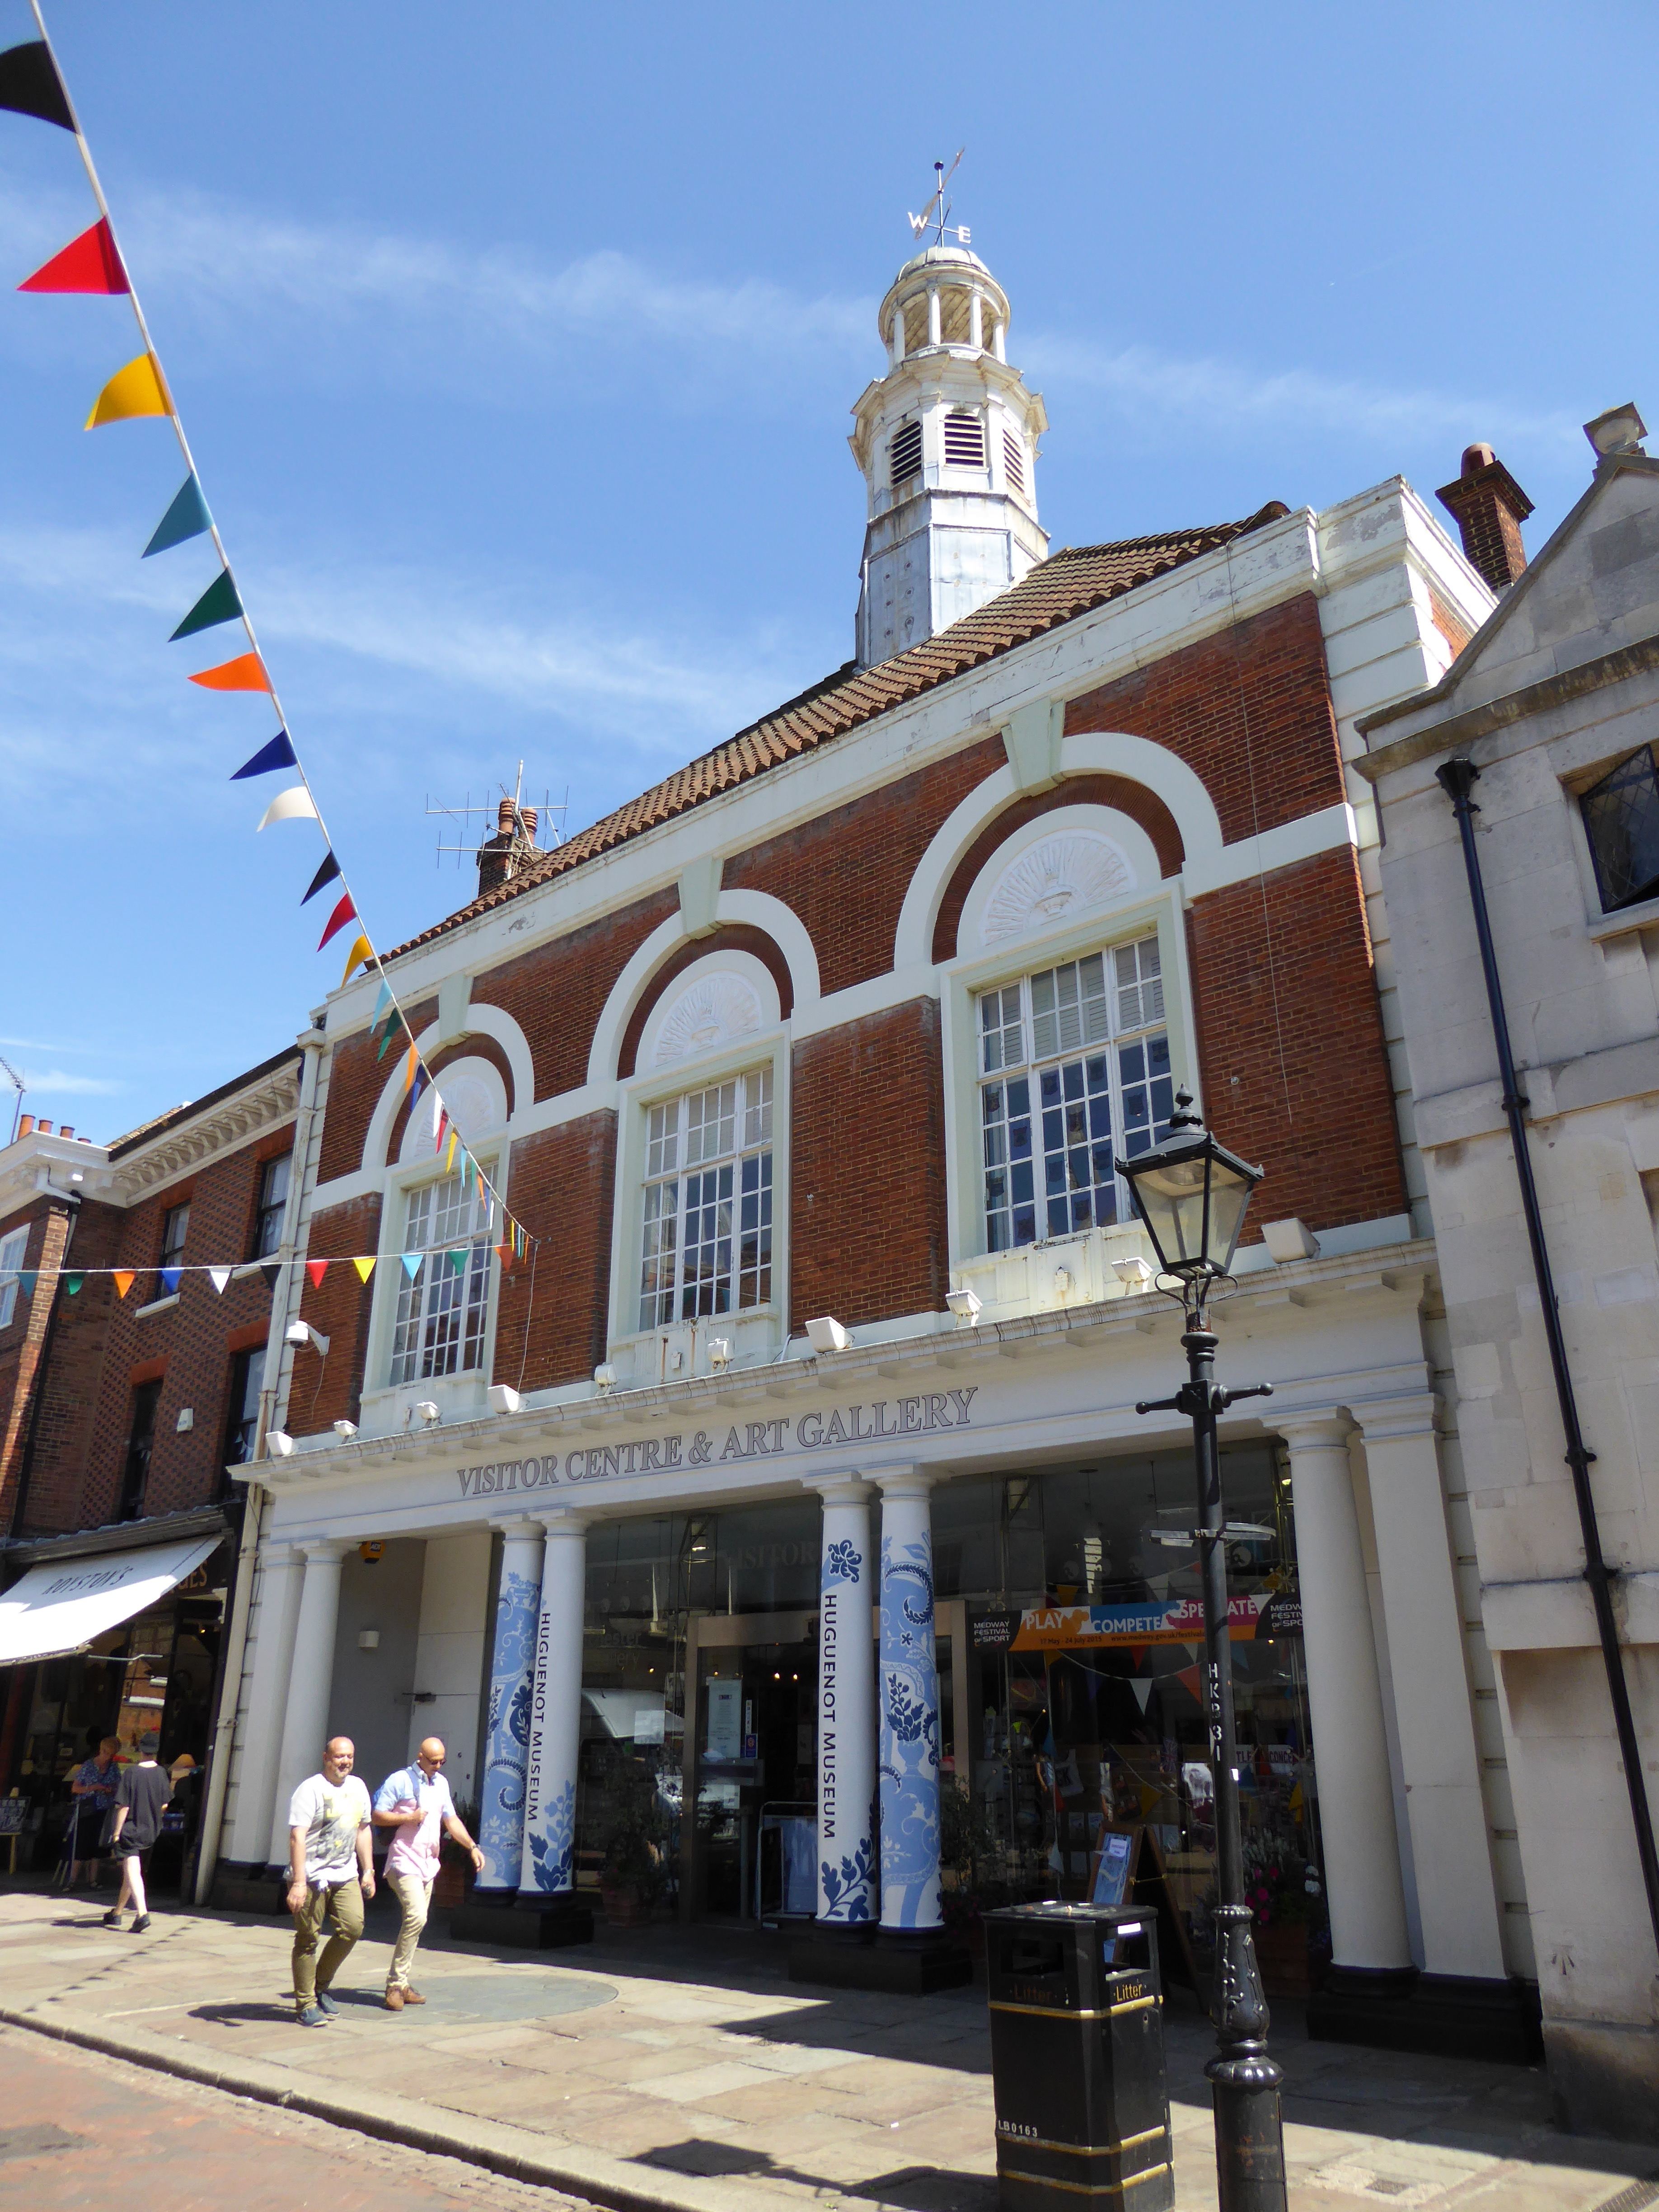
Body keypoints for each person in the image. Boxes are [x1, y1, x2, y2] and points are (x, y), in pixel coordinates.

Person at [372, 1737, 482, 2011]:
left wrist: (472, 1847)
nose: (438, 1765)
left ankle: (403, 1983)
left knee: (417, 1924)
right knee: (417, 1916)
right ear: (420, 1757)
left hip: (428, 1863)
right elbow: (377, 1815)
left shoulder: (441, 1784)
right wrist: (407, 1818)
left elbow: (451, 1820)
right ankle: (395, 1985)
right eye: (434, 1761)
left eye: (442, 1761)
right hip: (402, 1860)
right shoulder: (400, 1780)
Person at [286, 1735, 375, 2028]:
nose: (345, 1762)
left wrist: (369, 1871)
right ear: (326, 1757)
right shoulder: (310, 1790)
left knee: (352, 1928)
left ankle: (320, 1986)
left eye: (349, 1756)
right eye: (339, 1756)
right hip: (311, 1876)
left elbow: (363, 1830)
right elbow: (297, 1836)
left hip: (345, 1873)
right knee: (308, 1939)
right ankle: (305, 2004)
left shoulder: (359, 1787)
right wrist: (299, 1882)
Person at [103, 1734, 171, 1932]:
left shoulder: (131, 1774)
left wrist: (116, 1833)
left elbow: (123, 1806)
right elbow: (165, 1804)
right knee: (130, 1872)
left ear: (141, 1751)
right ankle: (117, 1914)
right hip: (151, 1829)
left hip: (132, 1828)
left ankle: (142, 1914)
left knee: (133, 1870)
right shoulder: (162, 1774)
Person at [66, 1736, 121, 1890]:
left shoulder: (114, 1768)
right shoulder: (88, 1766)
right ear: (101, 1750)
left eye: (112, 1755)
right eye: (107, 1754)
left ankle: (93, 1880)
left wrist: (110, 1789)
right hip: (87, 1809)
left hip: (104, 1809)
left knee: (99, 1845)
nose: (109, 1758)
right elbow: (75, 1788)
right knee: (82, 1843)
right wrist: (94, 1787)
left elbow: (118, 1787)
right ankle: (72, 1881)